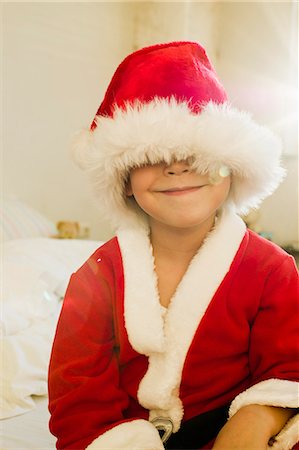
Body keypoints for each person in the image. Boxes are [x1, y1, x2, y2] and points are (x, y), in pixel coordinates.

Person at [48, 41, 299, 450]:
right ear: (124, 181)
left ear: (233, 168)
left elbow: (291, 368)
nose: (177, 166)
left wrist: (257, 416)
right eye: (153, 154)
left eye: (199, 154)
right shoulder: (95, 278)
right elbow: (77, 401)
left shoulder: (272, 269)